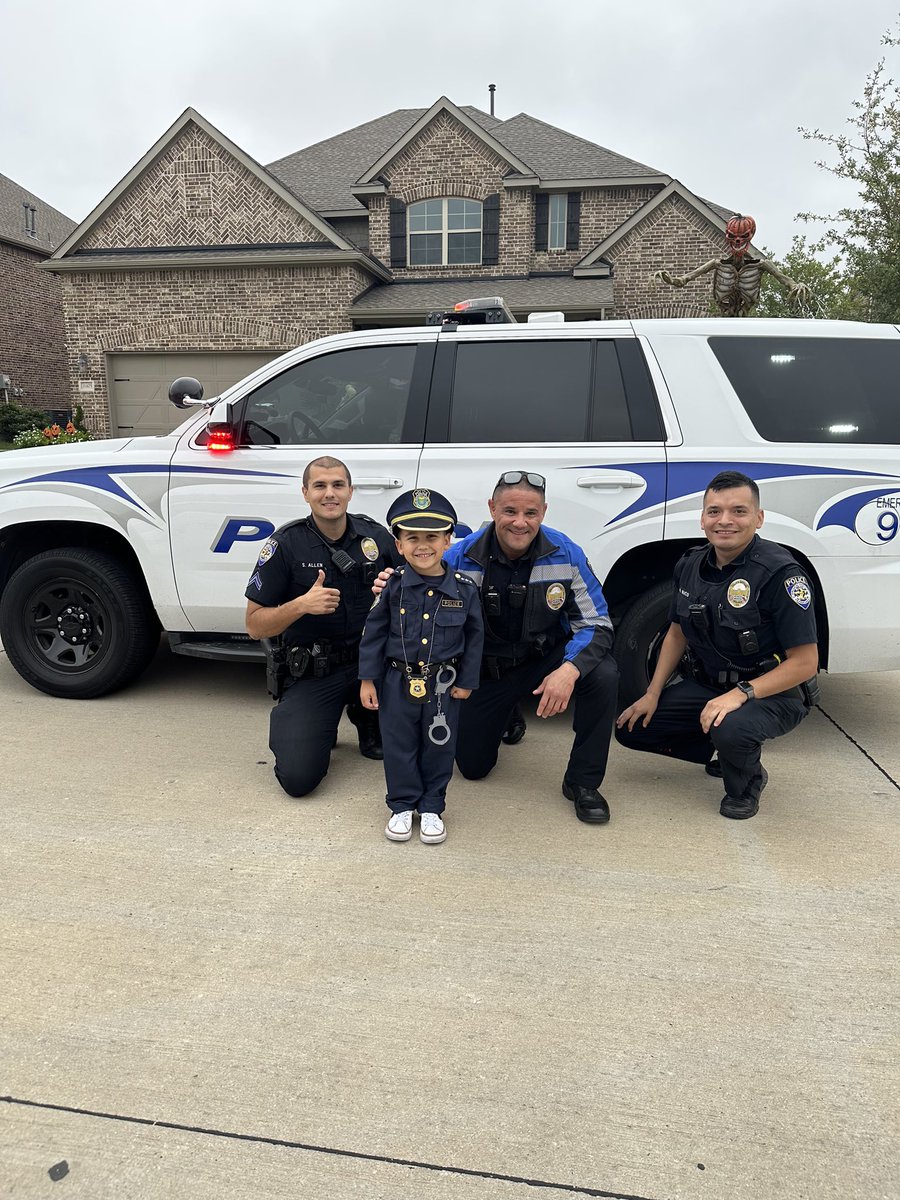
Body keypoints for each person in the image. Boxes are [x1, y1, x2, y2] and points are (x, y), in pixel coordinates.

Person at [616, 470, 819, 819]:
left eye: (738, 511)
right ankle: (725, 750)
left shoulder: (781, 574)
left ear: (759, 518)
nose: (725, 520)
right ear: (702, 519)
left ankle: (747, 781)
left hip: (772, 695)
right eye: (714, 511)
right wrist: (652, 692)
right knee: (631, 730)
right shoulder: (690, 564)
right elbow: (677, 632)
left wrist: (740, 693)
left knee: (732, 727)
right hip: (708, 684)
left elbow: (805, 663)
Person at [446, 470, 619, 824]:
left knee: (603, 674)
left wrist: (569, 670)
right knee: (473, 768)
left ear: (543, 512)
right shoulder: (460, 557)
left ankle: (582, 783)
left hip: (545, 661)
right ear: (492, 508)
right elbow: (421, 597)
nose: (520, 523)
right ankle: (507, 712)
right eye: (510, 511)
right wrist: (391, 584)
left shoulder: (565, 552)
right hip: (488, 671)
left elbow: (597, 622)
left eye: (531, 514)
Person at [245, 456, 400, 798]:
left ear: (350, 491)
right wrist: (301, 605)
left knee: (420, 733)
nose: (329, 494)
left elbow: (417, 588)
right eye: (320, 486)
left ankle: (367, 718)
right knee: (298, 780)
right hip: (317, 669)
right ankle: (316, 721)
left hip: (373, 666)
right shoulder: (285, 545)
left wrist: (395, 589)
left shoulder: (377, 538)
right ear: (305, 493)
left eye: (337, 485)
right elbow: (254, 625)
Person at [359, 489, 483, 844]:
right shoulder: (392, 587)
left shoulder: (463, 590)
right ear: (398, 545)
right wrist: (368, 680)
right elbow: (373, 633)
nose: (422, 546)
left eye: (432, 537)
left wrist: (468, 682)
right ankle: (401, 805)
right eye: (412, 537)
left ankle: (431, 806)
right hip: (396, 681)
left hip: (444, 685)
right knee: (399, 744)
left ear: (448, 541)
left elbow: (475, 639)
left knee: (439, 746)